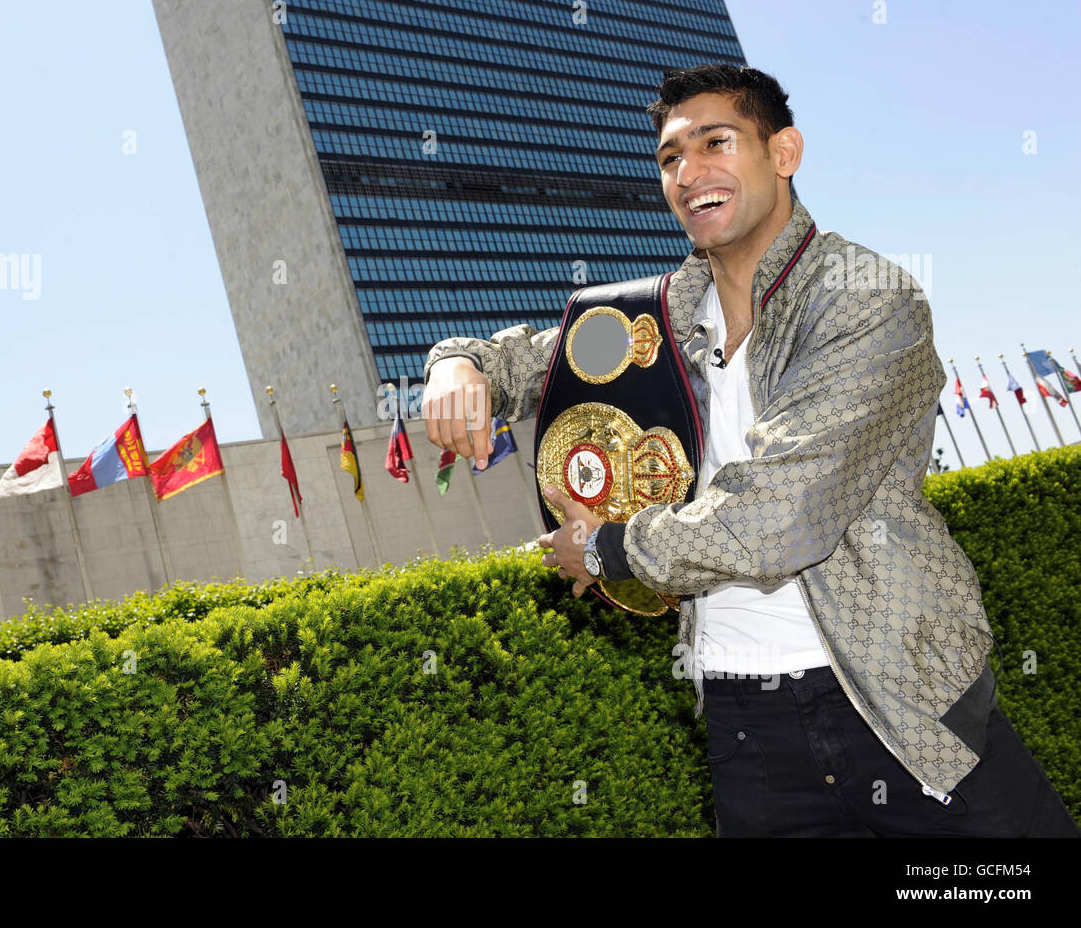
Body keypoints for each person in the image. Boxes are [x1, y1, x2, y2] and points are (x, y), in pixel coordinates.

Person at [420, 64, 1079, 838]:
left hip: (899, 700)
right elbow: (535, 357)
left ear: (784, 152)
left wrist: (606, 548)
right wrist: (457, 365)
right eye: (670, 158)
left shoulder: (866, 297)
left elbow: (780, 517)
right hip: (744, 722)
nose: (689, 172)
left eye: (716, 143)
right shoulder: (654, 316)